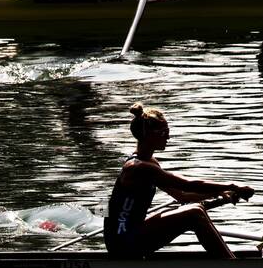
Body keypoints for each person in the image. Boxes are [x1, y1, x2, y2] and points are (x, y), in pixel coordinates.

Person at [105, 104, 254, 259]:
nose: (168, 137)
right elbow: (187, 184)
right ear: (149, 134)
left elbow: (183, 195)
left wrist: (218, 192)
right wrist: (233, 186)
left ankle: (230, 262)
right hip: (122, 243)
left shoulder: (150, 163)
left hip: (131, 233)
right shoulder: (138, 168)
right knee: (195, 213)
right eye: (164, 132)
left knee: (196, 209)